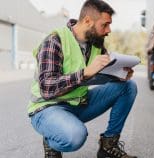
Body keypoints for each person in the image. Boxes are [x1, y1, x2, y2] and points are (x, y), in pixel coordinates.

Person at [27, 0, 138, 158]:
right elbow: (47, 88)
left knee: (128, 87)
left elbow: (99, 76)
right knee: (75, 136)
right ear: (87, 21)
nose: (109, 30)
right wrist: (84, 73)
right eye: (105, 25)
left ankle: (108, 145)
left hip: (78, 103)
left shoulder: (96, 44)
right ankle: (51, 139)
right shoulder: (54, 41)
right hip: (47, 108)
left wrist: (120, 75)